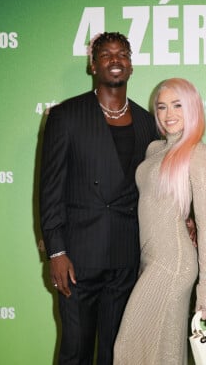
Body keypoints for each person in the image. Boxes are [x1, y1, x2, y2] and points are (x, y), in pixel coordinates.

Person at [39, 32, 158, 364]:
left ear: (131, 65)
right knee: (75, 350)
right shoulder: (66, 116)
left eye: (122, 54)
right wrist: (56, 251)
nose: (115, 59)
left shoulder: (148, 122)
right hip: (78, 257)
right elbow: (50, 189)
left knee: (115, 352)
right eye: (106, 54)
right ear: (93, 65)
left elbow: (156, 189)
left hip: (126, 257)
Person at [113, 78, 206, 364]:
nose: (168, 114)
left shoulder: (198, 153)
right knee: (163, 351)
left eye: (177, 106)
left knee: (129, 350)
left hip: (174, 264)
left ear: (192, 109)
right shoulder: (153, 150)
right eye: (161, 107)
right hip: (150, 260)